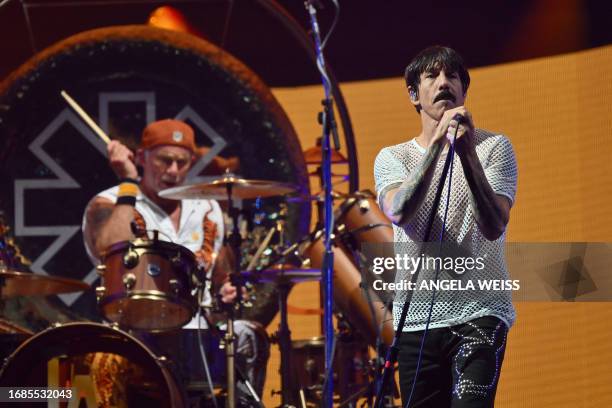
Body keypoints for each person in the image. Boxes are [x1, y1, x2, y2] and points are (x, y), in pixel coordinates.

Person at [82, 119, 269, 405]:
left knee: (249, 335)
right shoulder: (109, 202)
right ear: (141, 157)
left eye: (182, 162)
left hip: (197, 332)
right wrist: (128, 182)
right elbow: (108, 247)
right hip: (137, 333)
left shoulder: (207, 208)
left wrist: (226, 294)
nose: (173, 171)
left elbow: (220, 283)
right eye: (164, 160)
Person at [374, 46, 518, 407]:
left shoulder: (494, 147)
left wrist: (466, 152)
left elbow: (494, 225)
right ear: (413, 95)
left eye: (452, 76)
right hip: (416, 322)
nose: (443, 83)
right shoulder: (393, 157)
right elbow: (399, 212)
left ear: (463, 91)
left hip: (480, 312)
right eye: (432, 76)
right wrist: (438, 144)